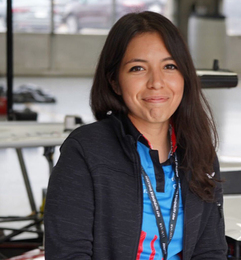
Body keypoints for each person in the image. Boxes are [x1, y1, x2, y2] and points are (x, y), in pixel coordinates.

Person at [44, 11, 227, 260]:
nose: (156, 82)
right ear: (115, 81)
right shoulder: (85, 151)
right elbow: (68, 253)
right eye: (138, 68)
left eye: (169, 66)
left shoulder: (199, 151)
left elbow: (211, 249)